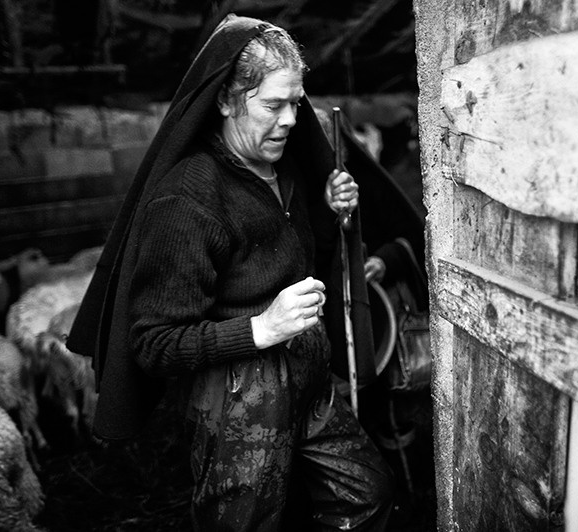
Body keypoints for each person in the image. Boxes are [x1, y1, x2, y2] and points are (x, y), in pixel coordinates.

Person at [67, 14, 393, 531]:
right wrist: (262, 328)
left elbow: (301, 254)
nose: (289, 120)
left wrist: (330, 209)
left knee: (366, 495)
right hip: (240, 395)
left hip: (308, 377)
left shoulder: (287, 172)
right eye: (272, 104)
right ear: (224, 99)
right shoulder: (187, 201)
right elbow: (155, 343)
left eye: (296, 103)